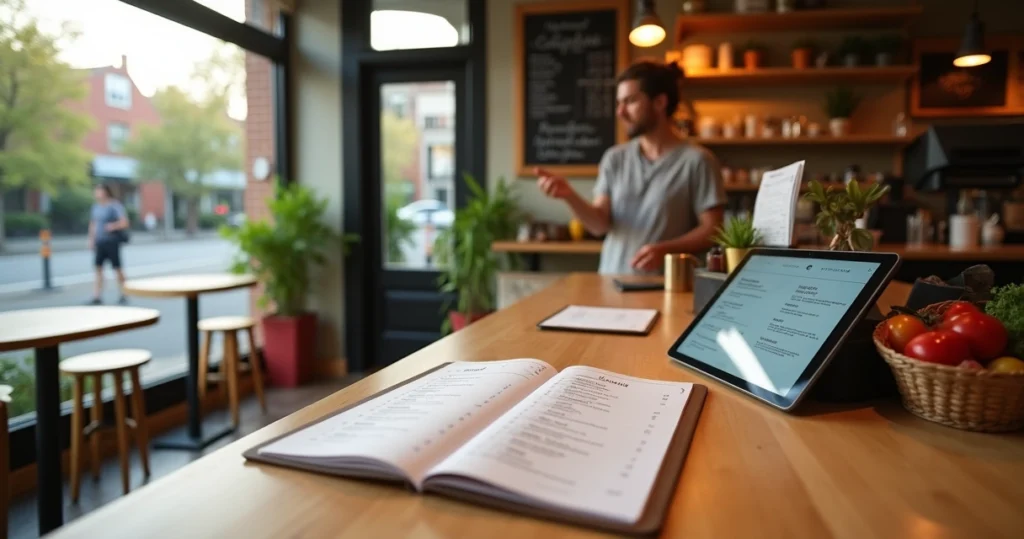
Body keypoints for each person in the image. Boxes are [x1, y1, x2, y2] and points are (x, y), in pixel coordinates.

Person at [536, 61, 726, 275]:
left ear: (660, 102)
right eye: (619, 103)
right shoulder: (614, 158)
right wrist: (568, 195)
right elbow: (599, 226)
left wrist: (666, 250)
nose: (620, 112)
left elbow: (712, 230)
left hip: (668, 286)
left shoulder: (698, 161)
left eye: (630, 101)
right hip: (612, 282)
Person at [87, 184, 130, 304]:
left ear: (105, 192)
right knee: (98, 268)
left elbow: (124, 222)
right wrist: (91, 239)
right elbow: (93, 224)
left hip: (111, 241)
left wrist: (112, 226)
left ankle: (124, 292)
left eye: (99, 191)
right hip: (100, 242)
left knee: (117, 268)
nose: (96, 193)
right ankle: (97, 296)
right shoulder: (95, 207)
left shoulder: (114, 206)